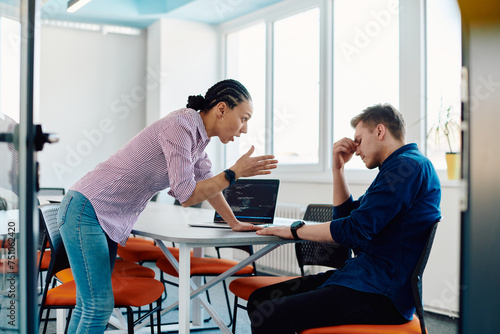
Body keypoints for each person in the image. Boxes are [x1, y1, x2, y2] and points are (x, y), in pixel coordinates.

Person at [57, 79, 278, 333]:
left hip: (96, 212)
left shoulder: (198, 139)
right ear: (221, 109)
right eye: (244, 118)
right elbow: (187, 195)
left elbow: (208, 184)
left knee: (89, 305)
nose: (245, 129)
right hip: (87, 210)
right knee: (97, 306)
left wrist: (234, 222)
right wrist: (234, 173)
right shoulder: (180, 126)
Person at [251, 103, 441, 333]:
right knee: (259, 300)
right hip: (361, 279)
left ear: (380, 131)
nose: (356, 149)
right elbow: (348, 218)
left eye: (359, 140)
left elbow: (353, 229)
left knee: (271, 314)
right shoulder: (396, 168)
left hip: (382, 293)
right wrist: (338, 168)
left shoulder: (408, 167)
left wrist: (295, 230)